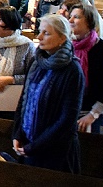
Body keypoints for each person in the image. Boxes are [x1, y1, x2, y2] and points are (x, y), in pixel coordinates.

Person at [12, 14, 84, 173]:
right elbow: (24, 100)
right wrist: (17, 134)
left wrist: (36, 146)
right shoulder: (36, 62)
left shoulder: (72, 70)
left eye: (46, 33)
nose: (39, 37)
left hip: (55, 153)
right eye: (40, 31)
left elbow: (67, 119)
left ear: (62, 39)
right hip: (29, 145)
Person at [69, 4, 103, 133]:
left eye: (76, 17)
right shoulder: (67, 47)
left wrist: (92, 115)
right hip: (70, 113)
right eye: (70, 17)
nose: (70, 21)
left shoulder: (102, 49)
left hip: (95, 115)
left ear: (89, 22)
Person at [0, 7, 35, 118]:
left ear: (10, 23)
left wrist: (11, 79)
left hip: (15, 102)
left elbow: (32, 75)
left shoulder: (27, 45)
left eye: (0, 20)